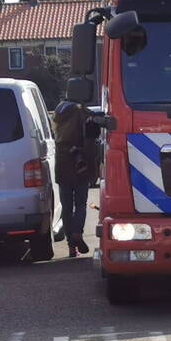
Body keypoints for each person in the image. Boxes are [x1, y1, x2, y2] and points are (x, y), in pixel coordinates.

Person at [53, 100, 100, 258]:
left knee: (66, 207)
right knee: (80, 203)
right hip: (80, 163)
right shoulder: (83, 113)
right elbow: (92, 140)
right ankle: (77, 233)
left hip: (62, 162)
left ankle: (71, 247)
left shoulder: (59, 112)